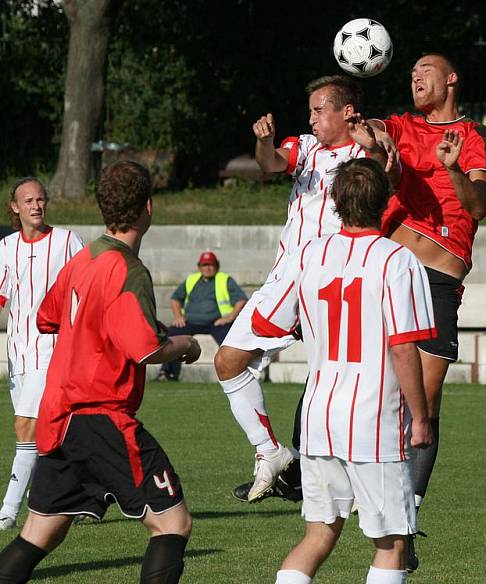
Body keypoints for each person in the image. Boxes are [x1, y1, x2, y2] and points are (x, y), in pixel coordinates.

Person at [0, 161, 202, 583]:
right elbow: (146, 350)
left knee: (40, 533)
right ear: (149, 207)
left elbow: (46, 317)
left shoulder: (85, 256)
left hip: (59, 418)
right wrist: (185, 345)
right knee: (172, 524)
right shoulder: (127, 269)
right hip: (101, 416)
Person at [253, 157, 434, 584]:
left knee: (318, 534)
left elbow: (267, 323)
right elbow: (405, 346)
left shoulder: (309, 253)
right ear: (385, 200)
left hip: (320, 416)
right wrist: (422, 417)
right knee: (391, 541)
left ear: (333, 200)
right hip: (375, 419)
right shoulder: (397, 260)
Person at [214, 75, 393, 502]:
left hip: (330, 281)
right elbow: (271, 163)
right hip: (288, 279)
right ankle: (275, 454)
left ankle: (321, 475)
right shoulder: (306, 148)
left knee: (333, 383)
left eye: (318, 110)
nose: (311, 119)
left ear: (346, 112)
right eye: (310, 110)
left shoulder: (367, 152)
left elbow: (388, 158)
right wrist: (266, 141)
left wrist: (374, 140)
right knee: (231, 362)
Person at [368, 52, 486, 569]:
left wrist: (451, 169)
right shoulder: (403, 125)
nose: (415, 77)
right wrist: (369, 132)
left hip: (441, 277)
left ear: (451, 78)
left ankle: (408, 514)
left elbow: (480, 206)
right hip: (391, 269)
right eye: (411, 72)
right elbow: (379, 129)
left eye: (426, 70)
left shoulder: (473, 137)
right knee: (381, 392)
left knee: (425, 400)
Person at [0, 177, 83, 531]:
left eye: (41, 199)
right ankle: (85, 493)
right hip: (18, 353)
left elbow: (88, 286)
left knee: (26, 427)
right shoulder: (5, 246)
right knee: (55, 430)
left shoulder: (67, 241)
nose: (37, 205)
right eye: (28, 200)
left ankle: (8, 511)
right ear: (15, 208)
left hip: (54, 349)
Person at [157, 251, 247, 381]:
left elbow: (241, 299)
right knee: (173, 336)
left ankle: (238, 373)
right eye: (204, 265)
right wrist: (178, 316)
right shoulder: (191, 280)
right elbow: (175, 299)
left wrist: (230, 318)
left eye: (211, 265)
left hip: (216, 323)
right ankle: (167, 373)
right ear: (199, 267)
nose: (207, 268)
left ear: (217, 266)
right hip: (190, 322)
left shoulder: (224, 279)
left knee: (231, 342)